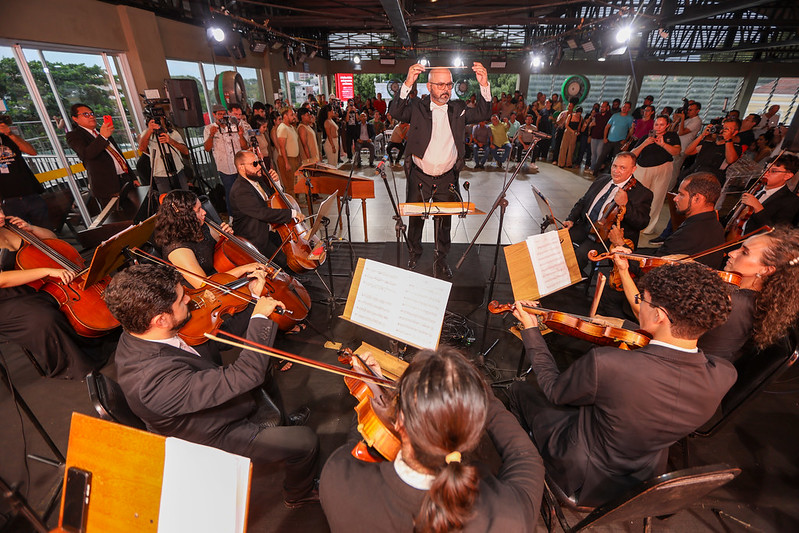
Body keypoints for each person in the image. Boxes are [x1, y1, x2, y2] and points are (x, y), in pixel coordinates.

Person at [508, 261, 736, 506]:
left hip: (585, 477)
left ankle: (522, 471)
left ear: (658, 315)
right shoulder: (725, 374)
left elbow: (555, 391)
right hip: (645, 481)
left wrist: (531, 331)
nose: (639, 304)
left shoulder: (608, 364)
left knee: (520, 389)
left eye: (642, 299)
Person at [104, 263, 320, 509]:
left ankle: (282, 423)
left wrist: (251, 298)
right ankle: (298, 492)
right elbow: (247, 375)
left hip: (205, 399)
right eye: (181, 299)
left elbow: (223, 338)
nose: (190, 299)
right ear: (160, 320)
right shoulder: (153, 382)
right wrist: (260, 318)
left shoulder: (140, 332)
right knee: (306, 441)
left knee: (264, 368)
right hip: (215, 432)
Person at [320, 347, 544, 533]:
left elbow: (360, 441)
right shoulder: (509, 517)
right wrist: (481, 396)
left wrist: (373, 388)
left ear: (399, 420)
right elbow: (526, 458)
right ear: (472, 435)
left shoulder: (337, 478)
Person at [388, 62, 491, 279]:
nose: (446, 89)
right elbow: (395, 111)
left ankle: (441, 259)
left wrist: (484, 85)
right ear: (429, 86)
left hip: (447, 178)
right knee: (415, 220)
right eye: (440, 85)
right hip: (419, 176)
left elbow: (483, 112)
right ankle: (414, 253)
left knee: (444, 223)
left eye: (449, 84)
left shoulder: (459, 108)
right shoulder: (417, 107)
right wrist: (408, 82)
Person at [0, 209, 106, 379]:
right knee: (44, 317)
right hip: (5, 301)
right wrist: (46, 271)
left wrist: (31, 228)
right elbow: (2, 280)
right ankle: (74, 365)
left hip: (31, 286)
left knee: (62, 299)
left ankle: (97, 335)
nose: (1, 216)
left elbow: (52, 239)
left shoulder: (10, 225)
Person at [563, 152, 653, 271]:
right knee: (558, 239)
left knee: (580, 254)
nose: (616, 171)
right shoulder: (602, 179)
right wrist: (571, 219)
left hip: (607, 238)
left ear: (633, 169)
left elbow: (642, 222)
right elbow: (583, 201)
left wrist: (626, 205)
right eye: (614, 166)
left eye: (622, 168)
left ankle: (569, 279)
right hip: (586, 226)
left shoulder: (643, 193)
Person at [229, 150, 304, 265]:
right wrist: (292, 214)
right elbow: (263, 213)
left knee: (294, 251)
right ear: (241, 167)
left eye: (259, 162)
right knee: (284, 261)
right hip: (255, 238)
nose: (260, 166)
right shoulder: (240, 190)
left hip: (270, 230)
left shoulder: (256, 179)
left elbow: (272, 201)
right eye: (254, 164)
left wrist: (276, 183)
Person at [66, 103, 136, 206]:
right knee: (117, 214)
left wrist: (133, 177)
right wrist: (103, 137)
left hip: (125, 179)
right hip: (106, 187)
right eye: (86, 114)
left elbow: (118, 155)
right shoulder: (74, 135)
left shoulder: (101, 132)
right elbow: (87, 153)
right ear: (75, 118)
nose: (91, 116)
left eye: (92, 113)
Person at [630, 115, 681, 233]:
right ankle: (633, 222)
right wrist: (645, 143)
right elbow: (632, 154)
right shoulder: (646, 137)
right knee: (638, 196)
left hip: (663, 169)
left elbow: (677, 152)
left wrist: (663, 144)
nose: (658, 127)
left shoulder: (672, 136)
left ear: (667, 125)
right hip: (642, 168)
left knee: (657, 198)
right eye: (656, 124)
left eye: (662, 125)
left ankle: (648, 227)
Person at [0, 115, 48, 227]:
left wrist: (10, 134)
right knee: (20, 234)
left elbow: (32, 152)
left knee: (45, 230)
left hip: (30, 193)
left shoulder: (9, 138)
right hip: (7, 200)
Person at [203, 104, 247, 214]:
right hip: (225, 167)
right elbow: (207, 148)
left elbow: (245, 146)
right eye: (219, 114)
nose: (222, 116)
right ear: (214, 115)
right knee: (230, 192)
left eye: (224, 114)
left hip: (239, 165)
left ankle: (245, 212)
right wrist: (211, 135)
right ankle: (232, 215)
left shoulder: (234, 126)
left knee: (243, 190)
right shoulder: (209, 128)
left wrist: (241, 135)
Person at [740, 154, 799, 233]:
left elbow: (775, 230)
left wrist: (758, 208)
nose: (765, 173)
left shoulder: (791, 201)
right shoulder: (754, 186)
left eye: (773, 171)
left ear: (787, 176)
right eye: (766, 169)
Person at [138, 117, 189, 195]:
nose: (158, 121)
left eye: (159, 119)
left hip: (178, 172)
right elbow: (142, 148)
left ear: (164, 119)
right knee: (167, 199)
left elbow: (186, 151)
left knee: (185, 196)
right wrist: (150, 130)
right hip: (160, 175)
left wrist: (171, 141)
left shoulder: (173, 133)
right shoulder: (147, 133)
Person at [591, 101, 633, 176]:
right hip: (609, 139)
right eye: (624, 106)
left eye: (627, 107)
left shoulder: (630, 118)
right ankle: (595, 172)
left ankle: (610, 175)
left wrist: (625, 140)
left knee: (615, 159)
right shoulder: (615, 116)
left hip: (619, 141)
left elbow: (630, 131)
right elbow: (607, 127)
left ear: (629, 109)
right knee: (602, 156)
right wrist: (605, 137)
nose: (624, 108)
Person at [276, 107, 301, 193]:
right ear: (285, 116)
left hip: (294, 159)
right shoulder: (282, 128)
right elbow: (282, 147)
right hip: (287, 159)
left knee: (296, 184)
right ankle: (291, 201)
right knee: (290, 185)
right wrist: (286, 163)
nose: (294, 117)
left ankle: (296, 200)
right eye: (291, 115)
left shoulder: (291, 127)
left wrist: (298, 158)